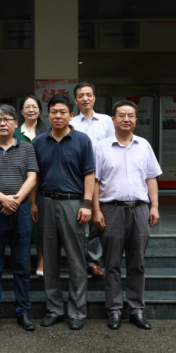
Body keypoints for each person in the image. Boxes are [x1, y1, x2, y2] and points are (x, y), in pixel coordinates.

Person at [92, 100, 162, 330]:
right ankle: (114, 310)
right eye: (121, 115)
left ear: (136, 120)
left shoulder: (144, 145)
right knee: (111, 263)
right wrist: (96, 210)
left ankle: (136, 309)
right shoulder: (101, 147)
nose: (126, 119)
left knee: (137, 263)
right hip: (111, 210)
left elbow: (151, 177)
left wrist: (154, 206)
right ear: (113, 120)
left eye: (130, 115)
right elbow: (95, 181)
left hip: (140, 209)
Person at [31, 94, 95, 331]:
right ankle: (54, 309)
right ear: (48, 115)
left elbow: (90, 174)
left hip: (73, 205)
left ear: (70, 115)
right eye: (54, 112)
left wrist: (87, 204)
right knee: (49, 260)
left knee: (76, 260)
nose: (58, 116)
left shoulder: (82, 140)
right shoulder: (39, 142)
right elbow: (35, 176)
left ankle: (77, 311)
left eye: (62, 112)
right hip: (46, 202)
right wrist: (33, 203)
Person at [0, 104, 38, 331]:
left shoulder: (27, 148)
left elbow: (32, 177)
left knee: (21, 265)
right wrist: (4, 199)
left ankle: (24, 311)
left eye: (7, 119)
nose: (3, 123)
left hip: (20, 212)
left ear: (15, 123)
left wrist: (15, 201)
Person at [69, 82, 115, 278]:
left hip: (102, 178)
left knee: (98, 219)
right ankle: (78, 259)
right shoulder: (71, 122)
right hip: (76, 177)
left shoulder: (106, 121)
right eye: (81, 95)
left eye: (89, 95)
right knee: (77, 219)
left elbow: (113, 147)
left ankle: (93, 260)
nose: (85, 98)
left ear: (94, 98)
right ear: (75, 100)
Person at [14, 95, 48, 276]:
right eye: (27, 107)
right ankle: (25, 260)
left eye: (34, 106)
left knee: (40, 225)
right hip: (19, 184)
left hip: (42, 185)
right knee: (22, 227)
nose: (31, 110)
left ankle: (41, 260)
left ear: (40, 110)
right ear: (21, 111)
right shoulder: (15, 132)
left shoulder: (47, 132)